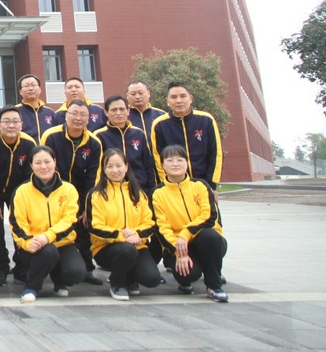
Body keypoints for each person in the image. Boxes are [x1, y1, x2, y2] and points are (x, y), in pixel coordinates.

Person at [151, 145, 228, 302]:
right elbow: (161, 228)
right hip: (177, 246)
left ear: (187, 163)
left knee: (210, 236)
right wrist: (178, 252)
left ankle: (213, 286)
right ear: (162, 164)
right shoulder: (158, 193)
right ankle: (184, 279)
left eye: (180, 160)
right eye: (170, 160)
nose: (175, 164)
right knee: (189, 274)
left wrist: (185, 234)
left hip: (205, 241)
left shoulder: (200, 186)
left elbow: (209, 216)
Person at [9, 145, 84, 303]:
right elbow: (16, 223)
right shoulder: (22, 191)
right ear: (31, 165)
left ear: (54, 162)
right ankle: (32, 287)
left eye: (47, 162)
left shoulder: (68, 189)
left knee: (76, 273)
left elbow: (70, 219)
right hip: (34, 245)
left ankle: (59, 279)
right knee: (48, 252)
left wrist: (48, 236)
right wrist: (28, 241)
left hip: (62, 243)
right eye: (38, 163)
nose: (43, 167)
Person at [41, 99, 104, 285]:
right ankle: (49, 268)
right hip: (54, 191)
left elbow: (94, 176)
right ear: (65, 116)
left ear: (88, 118)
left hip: (81, 192)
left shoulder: (94, 142)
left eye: (83, 115)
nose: (78, 118)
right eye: (74, 113)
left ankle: (87, 269)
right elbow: (45, 165)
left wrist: (85, 206)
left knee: (83, 228)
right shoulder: (51, 136)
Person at [87, 149, 161, 300]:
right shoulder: (96, 195)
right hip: (106, 247)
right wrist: (122, 236)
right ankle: (117, 284)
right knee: (126, 250)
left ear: (126, 167)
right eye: (109, 166)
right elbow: (95, 227)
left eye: (119, 165)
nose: (115, 170)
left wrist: (136, 233)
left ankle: (130, 278)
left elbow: (150, 223)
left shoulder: (138, 193)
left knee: (152, 279)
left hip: (136, 244)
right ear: (104, 169)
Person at [0, 106, 37, 286]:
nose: (11, 125)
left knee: (21, 226)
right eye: (6, 121)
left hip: (19, 192)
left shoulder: (29, 143)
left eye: (15, 121)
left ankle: (21, 267)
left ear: (21, 124)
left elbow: (29, 176)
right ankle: (0, 267)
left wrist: (20, 202)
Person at [151, 82, 223, 189]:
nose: (178, 101)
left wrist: (211, 185)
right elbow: (158, 158)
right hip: (174, 186)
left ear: (190, 98)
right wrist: (167, 184)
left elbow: (215, 153)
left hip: (204, 185)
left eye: (183, 96)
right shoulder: (159, 124)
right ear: (167, 101)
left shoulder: (206, 120)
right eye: (173, 97)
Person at [95, 95, 155, 189]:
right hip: (111, 189)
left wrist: (152, 188)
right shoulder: (99, 136)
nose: (118, 113)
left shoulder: (138, 133)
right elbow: (97, 168)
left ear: (128, 111)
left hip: (140, 187)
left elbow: (148, 164)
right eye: (114, 110)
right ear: (106, 112)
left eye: (122, 109)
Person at [16, 74, 57, 142]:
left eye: (33, 85)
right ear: (20, 92)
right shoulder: (15, 111)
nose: (30, 88)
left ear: (39, 89)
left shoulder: (50, 112)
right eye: (26, 86)